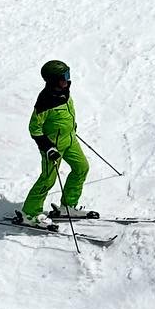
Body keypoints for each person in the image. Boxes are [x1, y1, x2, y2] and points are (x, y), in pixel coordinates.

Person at [20, 59, 93, 227]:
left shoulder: (64, 91)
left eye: (68, 75)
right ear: (53, 80)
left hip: (70, 140)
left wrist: (71, 127)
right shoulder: (45, 102)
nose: (68, 79)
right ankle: (29, 213)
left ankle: (67, 206)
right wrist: (48, 147)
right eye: (64, 76)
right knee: (48, 179)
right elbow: (34, 128)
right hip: (53, 147)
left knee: (81, 168)